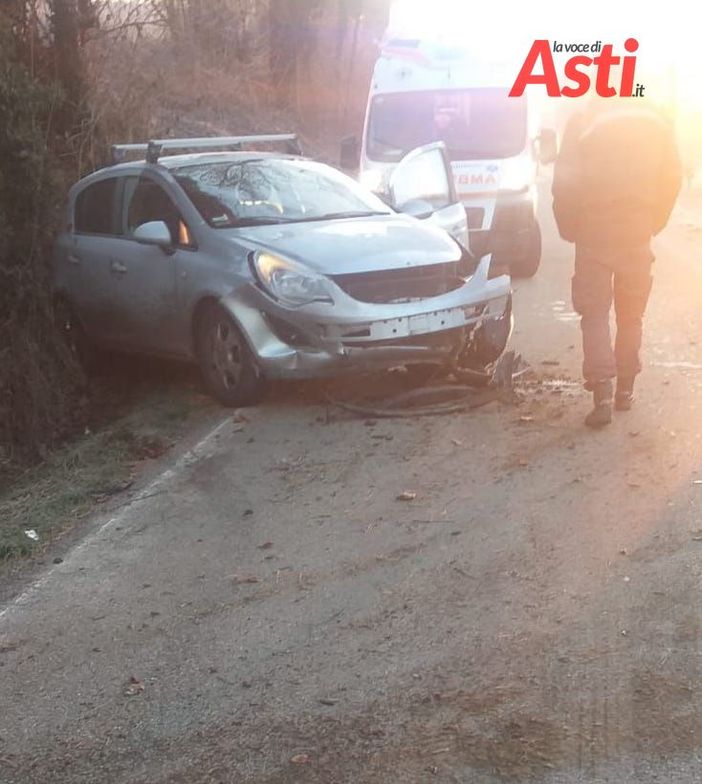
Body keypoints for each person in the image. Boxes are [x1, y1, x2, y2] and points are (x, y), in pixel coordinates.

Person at [552, 95, 682, 428]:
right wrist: (653, 221)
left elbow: (565, 181)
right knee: (631, 314)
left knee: (594, 312)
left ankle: (603, 395)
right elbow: (673, 177)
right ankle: (626, 390)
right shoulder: (656, 120)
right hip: (637, 232)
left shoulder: (583, 121)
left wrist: (569, 227)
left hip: (593, 233)